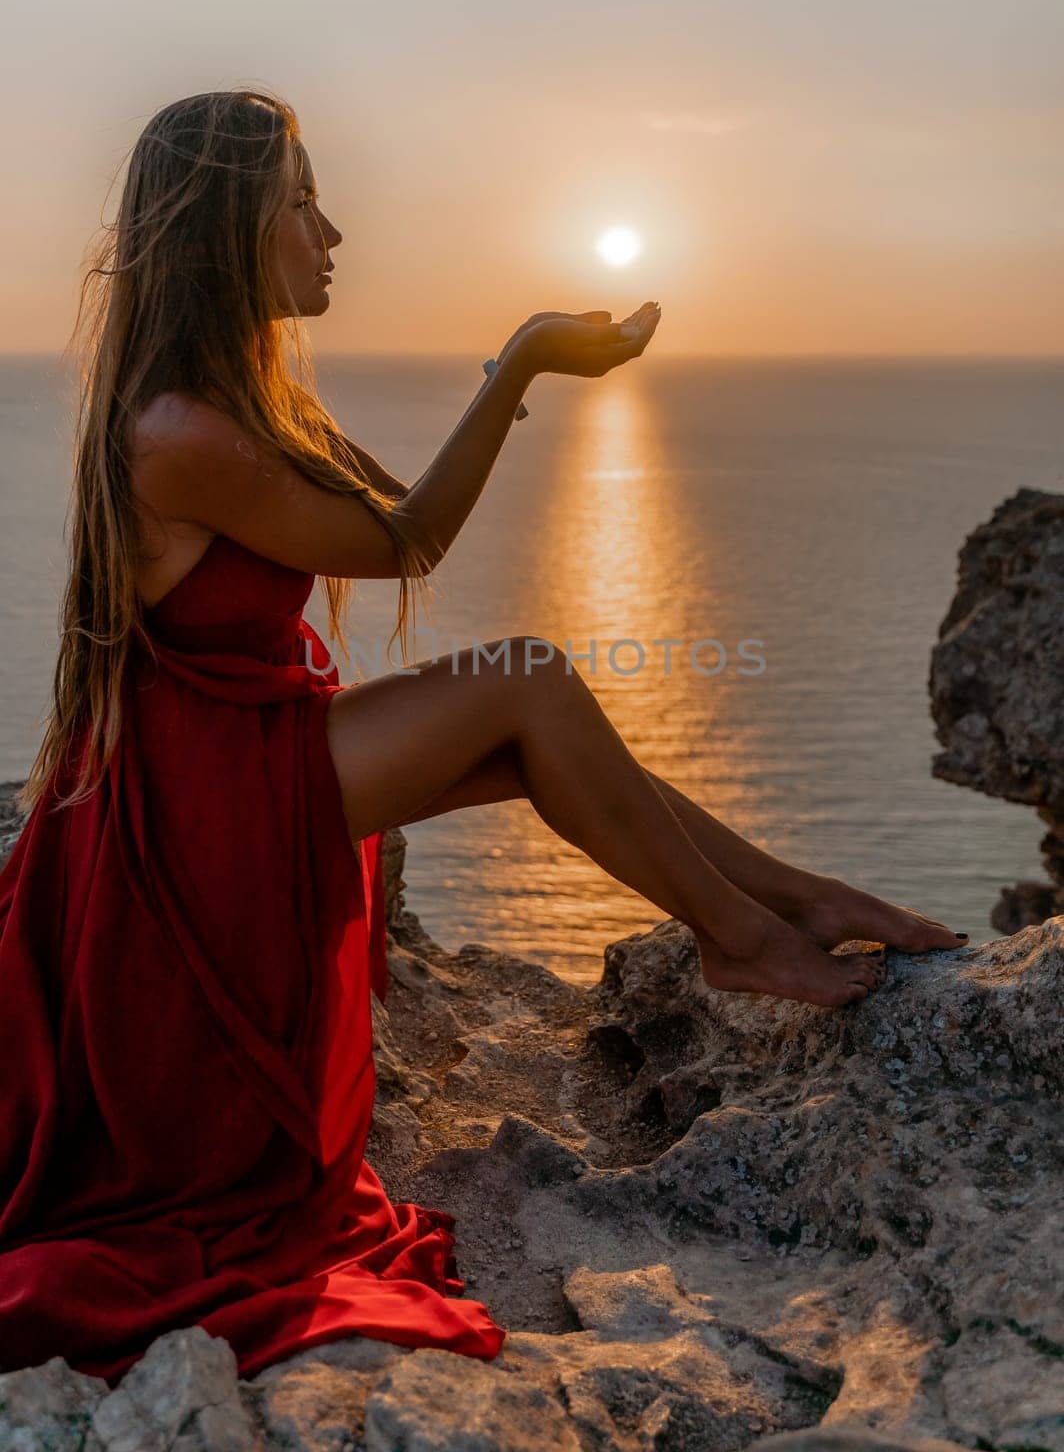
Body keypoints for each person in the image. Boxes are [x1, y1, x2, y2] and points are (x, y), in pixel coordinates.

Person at [0, 87, 967, 1387]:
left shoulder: (242, 401)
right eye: (302, 203)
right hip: (195, 800)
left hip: (242, 748)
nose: (332, 232)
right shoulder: (183, 432)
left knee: (536, 742)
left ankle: (786, 897)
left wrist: (507, 377)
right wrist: (521, 361)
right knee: (532, 683)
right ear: (234, 227)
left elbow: (398, 507)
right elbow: (414, 546)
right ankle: (742, 938)